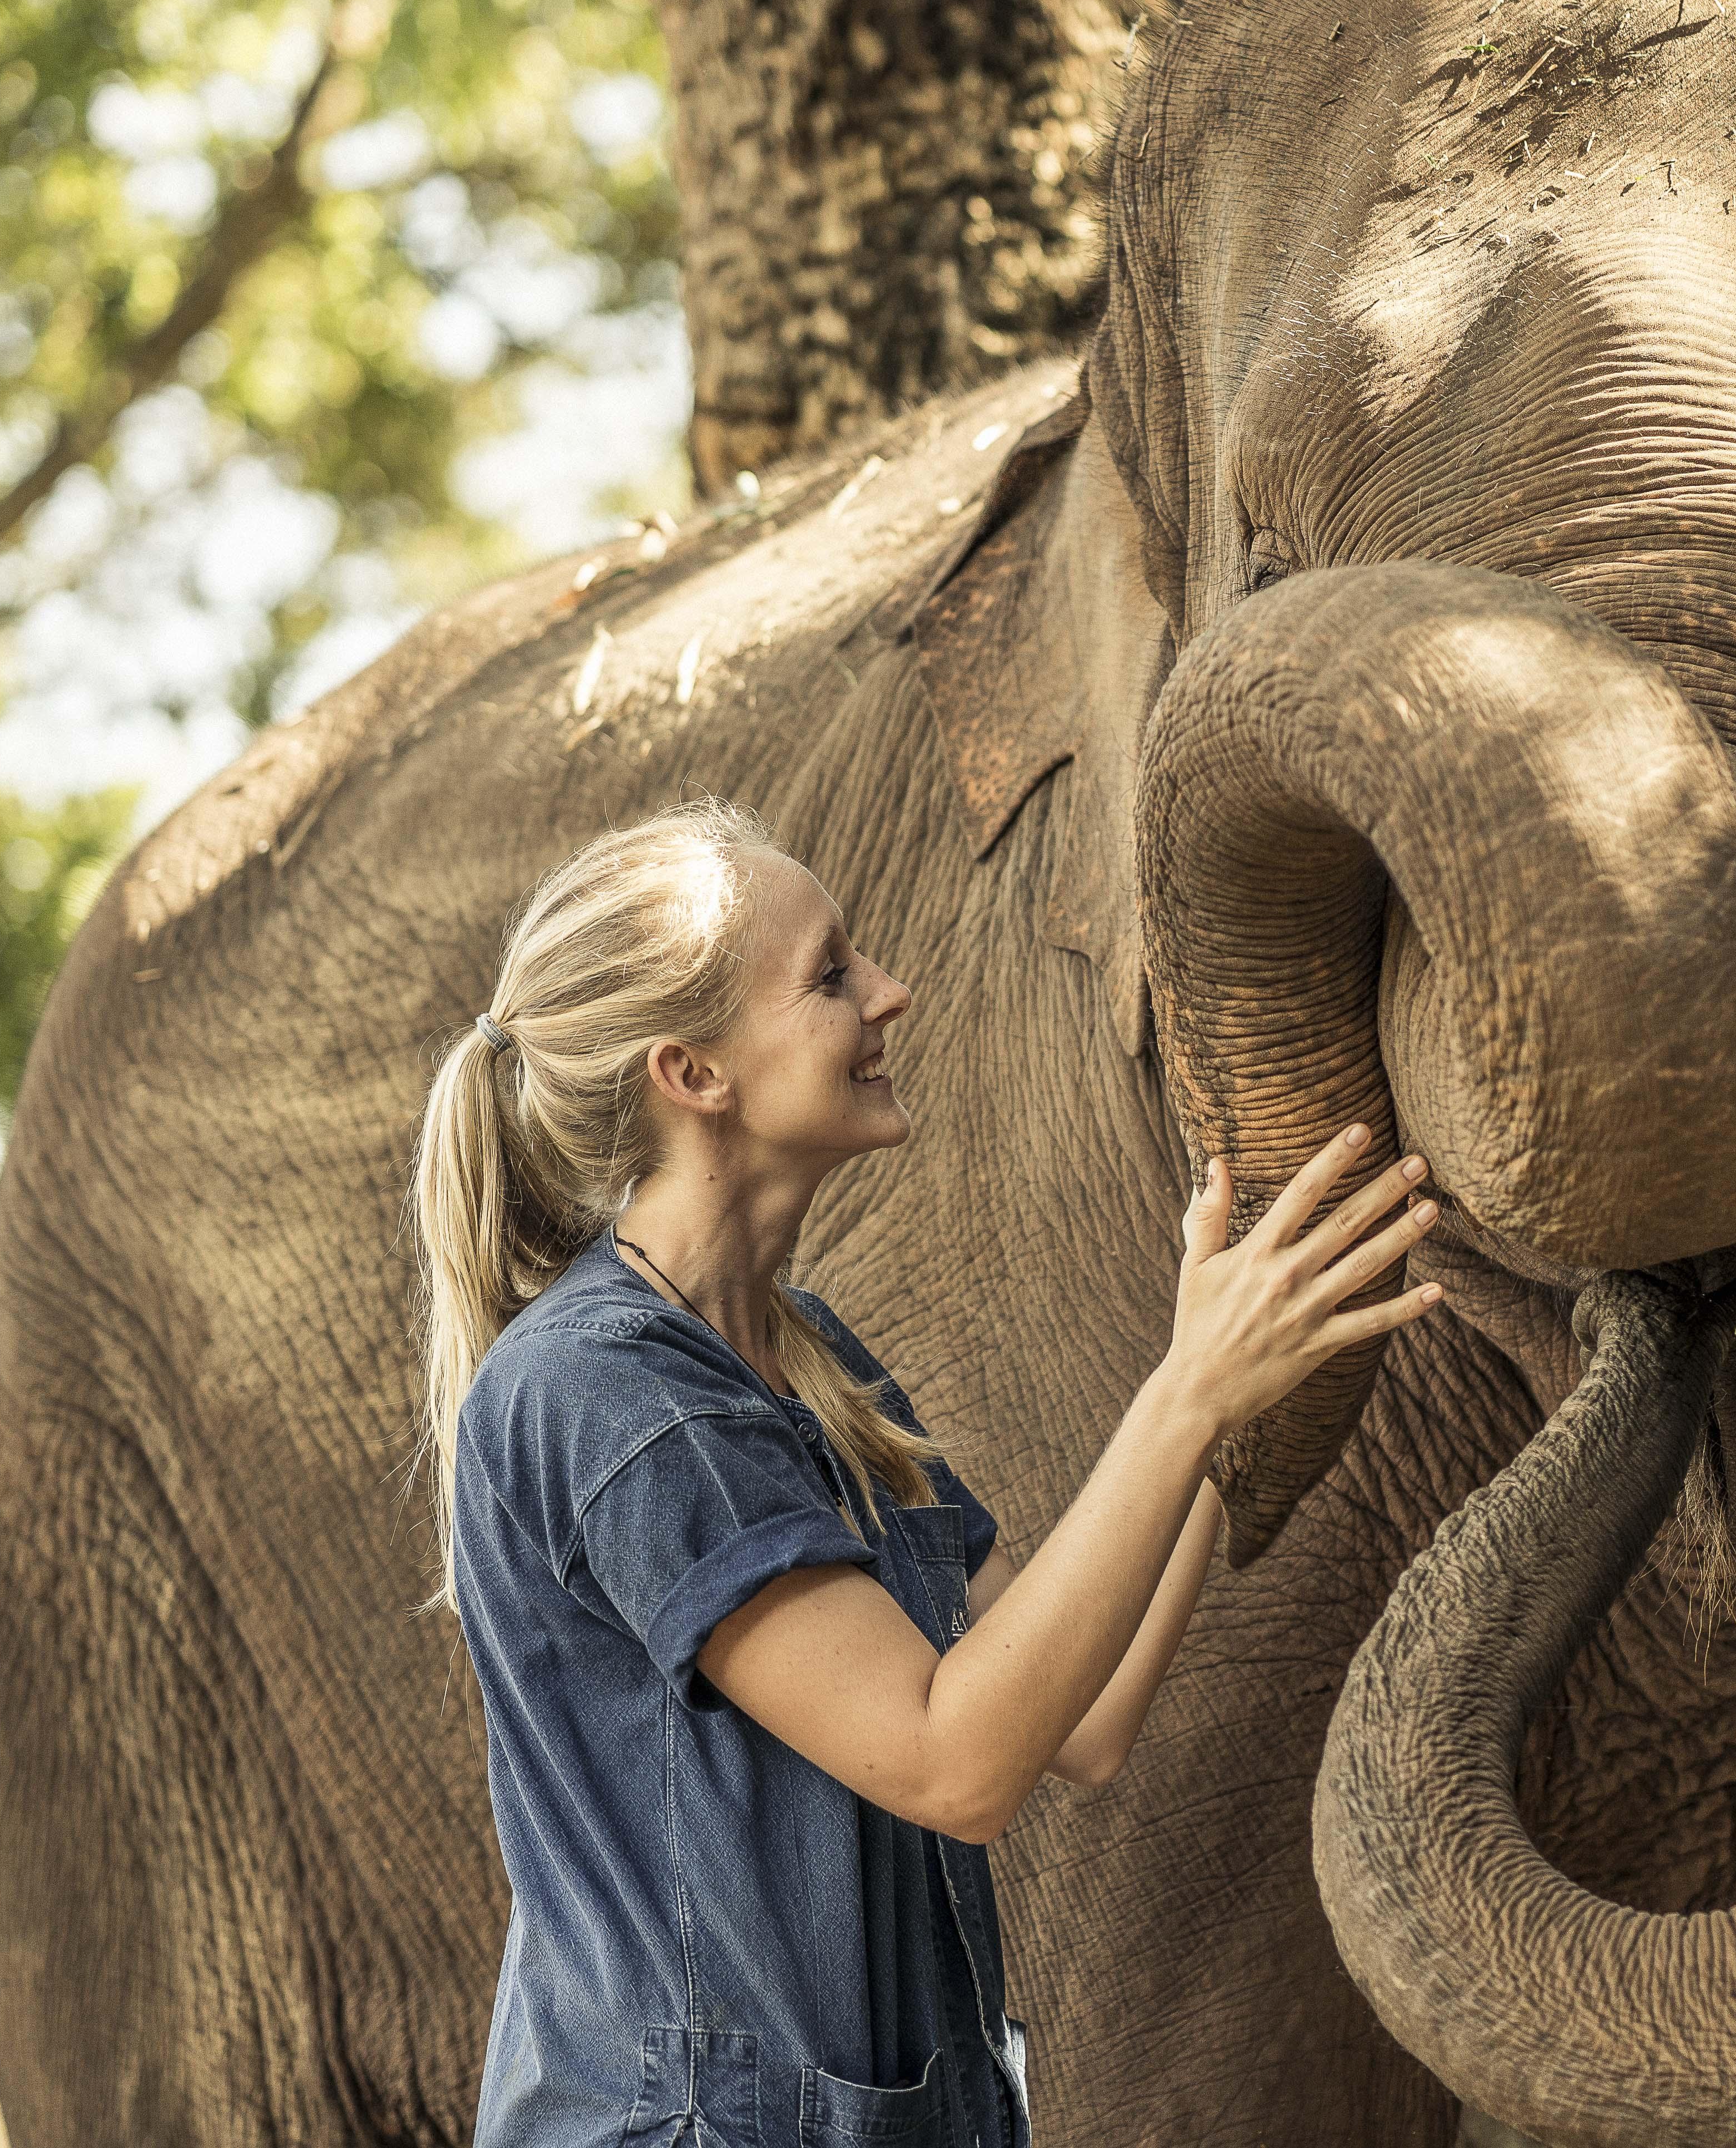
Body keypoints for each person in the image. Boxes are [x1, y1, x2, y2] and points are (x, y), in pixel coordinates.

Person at [414, 797, 1442, 2146]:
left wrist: (1228, 1406)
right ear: (693, 1073)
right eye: (833, 975)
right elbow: (953, 1763)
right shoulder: (609, 1398)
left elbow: (1079, 1722)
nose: (890, 995)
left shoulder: (802, 1355)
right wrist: (1186, 1394)